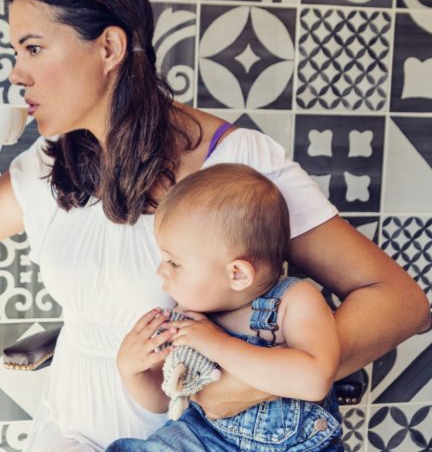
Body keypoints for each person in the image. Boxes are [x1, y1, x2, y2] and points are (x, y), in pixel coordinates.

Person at [0, 0, 430, 451]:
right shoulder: (53, 160)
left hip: (186, 437)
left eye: (32, 49)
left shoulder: (235, 163)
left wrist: (253, 384)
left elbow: (400, 302)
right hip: (68, 427)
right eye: (17, 53)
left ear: (108, 48)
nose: (17, 74)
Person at [110, 163, 343, 451]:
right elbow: (166, 399)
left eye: (174, 262)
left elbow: (314, 380)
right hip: (202, 436)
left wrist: (218, 345)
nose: (161, 272)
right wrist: (132, 371)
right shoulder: (189, 314)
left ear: (237, 274)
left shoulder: (293, 301)